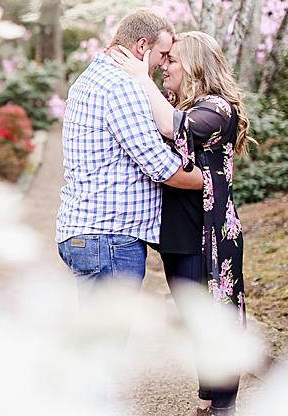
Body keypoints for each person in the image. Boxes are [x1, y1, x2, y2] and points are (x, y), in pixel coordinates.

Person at [108, 31, 250, 416]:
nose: (164, 65)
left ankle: (224, 405)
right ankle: (208, 399)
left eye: (172, 60)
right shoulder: (178, 101)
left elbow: (174, 127)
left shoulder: (217, 109)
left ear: (196, 65)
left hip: (211, 235)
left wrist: (141, 77)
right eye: (164, 59)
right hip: (179, 234)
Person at [56, 9, 204, 294]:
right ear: (141, 47)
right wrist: (212, 179)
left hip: (92, 234)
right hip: (109, 238)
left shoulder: (92, 78)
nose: (163, 64)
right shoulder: (121, 86)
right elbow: (161, 167)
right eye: (163, 54)